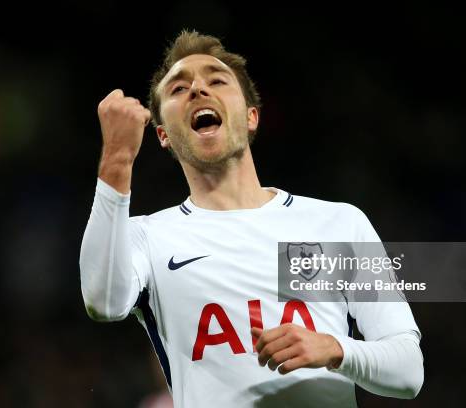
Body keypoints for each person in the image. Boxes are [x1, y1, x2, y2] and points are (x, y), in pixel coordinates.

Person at [79, 30, 423, 407]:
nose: (197, 90)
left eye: (216, 80)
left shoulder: (338, 223)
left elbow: (408, 371)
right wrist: (116, 158)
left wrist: (336, 348)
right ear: (163, 135)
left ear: (251, 117)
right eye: (178, 89)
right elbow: (103, 302)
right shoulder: (148, 236)